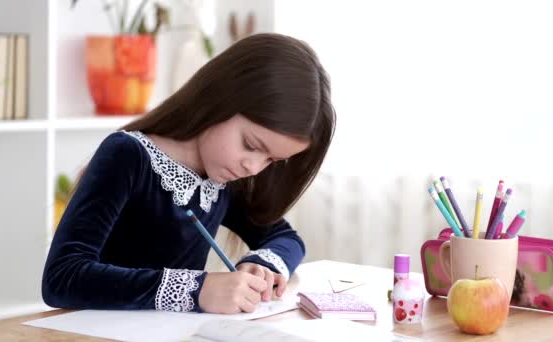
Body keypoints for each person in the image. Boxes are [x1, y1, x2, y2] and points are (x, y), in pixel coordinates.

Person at [42, 33, 336, 314]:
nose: (253, 167)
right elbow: (63, 277)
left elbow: (286, 238)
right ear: (223, 98)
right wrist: (196, 290)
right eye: (250, 145)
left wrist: (261, 264)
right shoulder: (128, 155)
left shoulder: (225, 177)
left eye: (271, 159)